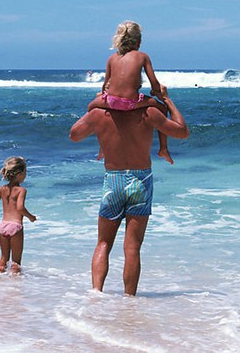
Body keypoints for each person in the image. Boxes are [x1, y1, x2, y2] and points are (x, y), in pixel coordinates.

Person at [69, 87, 189, 296]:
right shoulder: (148, 112)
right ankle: (129, 299)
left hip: (113, 180)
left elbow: (74, 135)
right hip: (140, 180)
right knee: (132, 247)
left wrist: (96, 103)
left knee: (103, 242)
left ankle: (96, 294)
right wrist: (167, 100)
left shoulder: (99, 114)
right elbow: (182, 131)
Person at [87, 20, 174, 164]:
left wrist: (103, 96)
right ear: (139, 42)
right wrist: (157, 93)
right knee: (162, 108)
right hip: (132, 102)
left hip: (111, 101)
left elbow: (105, 85)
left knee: (91, 108)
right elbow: (154, 84)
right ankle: (163, 148)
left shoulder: (111, 58)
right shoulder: (143, 56)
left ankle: (102, 147)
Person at [0, 156, 37, 274]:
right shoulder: (21, 190)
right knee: (16, 262)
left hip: (3, 226)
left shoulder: (2, 189)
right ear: (19, 174)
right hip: (15, 226)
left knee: (3, 258)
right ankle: (15, 284)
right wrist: (30, 217)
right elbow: (20, 208)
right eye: (25, 172)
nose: (25, 175)